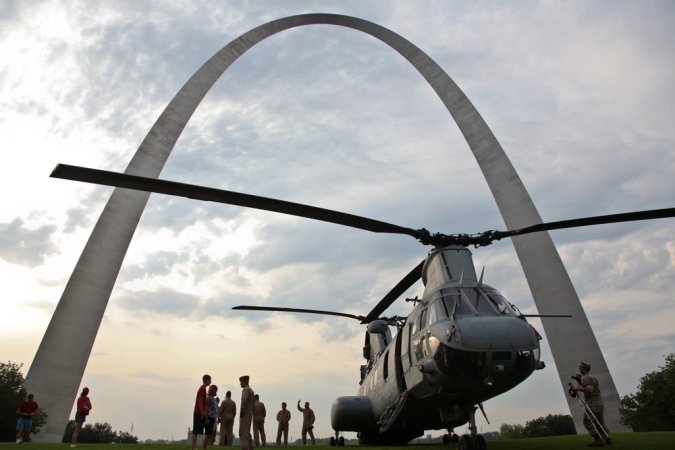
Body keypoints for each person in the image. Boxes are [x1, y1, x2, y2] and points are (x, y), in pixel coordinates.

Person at [572, 361, 611, 447]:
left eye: (580, 368)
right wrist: (579, 382)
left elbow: (589, 389)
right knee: (600, 423)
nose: (579, 369)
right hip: (599, 402)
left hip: (593, 404)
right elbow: (587, 387)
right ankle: (607, 439)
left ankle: (598, 440)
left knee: (587, 422)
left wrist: (577, 389)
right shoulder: (591, 377)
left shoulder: (588, 378)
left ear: (584, 368)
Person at [192, 374, 212, 450]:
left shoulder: (203, 388)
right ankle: (194, 448)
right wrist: (202, 413)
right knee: (195, 431)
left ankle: (194, 447)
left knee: (196, 431)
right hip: (198, 412)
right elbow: (200, 401)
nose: (210, 381)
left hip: (198, 412)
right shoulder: (203, 389)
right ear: (206, 380)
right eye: (210, 380)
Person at [239, 375, 255, 450]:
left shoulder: (245, 389)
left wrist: (242, 410)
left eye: (241, 382)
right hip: (249, 412)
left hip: (245, 413)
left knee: (243, 432)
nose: (240, 383)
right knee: (247, 432)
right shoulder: (251, 390)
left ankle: (245, 447)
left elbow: (244, 400)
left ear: (245, 381)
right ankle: (250, 447)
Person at [202, 384, 219, 449]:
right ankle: (205, 448)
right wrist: (206, 418)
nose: (216, 391)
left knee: (210, 434)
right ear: (212, 390)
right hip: (209, 417)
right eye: (215, 390)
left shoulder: (213, 398)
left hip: (213, 418)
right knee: (208, 434)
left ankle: (206, 447)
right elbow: (206, 408)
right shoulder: (209, 398)